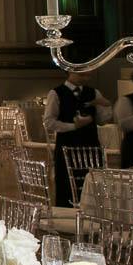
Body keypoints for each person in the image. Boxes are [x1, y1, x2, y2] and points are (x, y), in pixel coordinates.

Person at [44, 69, 110, 205]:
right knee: (67, 186)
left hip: (90, 146)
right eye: (82, 74)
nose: (85, 78)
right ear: (69, 72)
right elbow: (49, 122)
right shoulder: (56, 93)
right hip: (67, 146)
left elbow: (102, 120)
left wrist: (106, 105)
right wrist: (74, 126)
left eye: (88, 75)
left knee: (94, 184)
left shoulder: (94, 93)